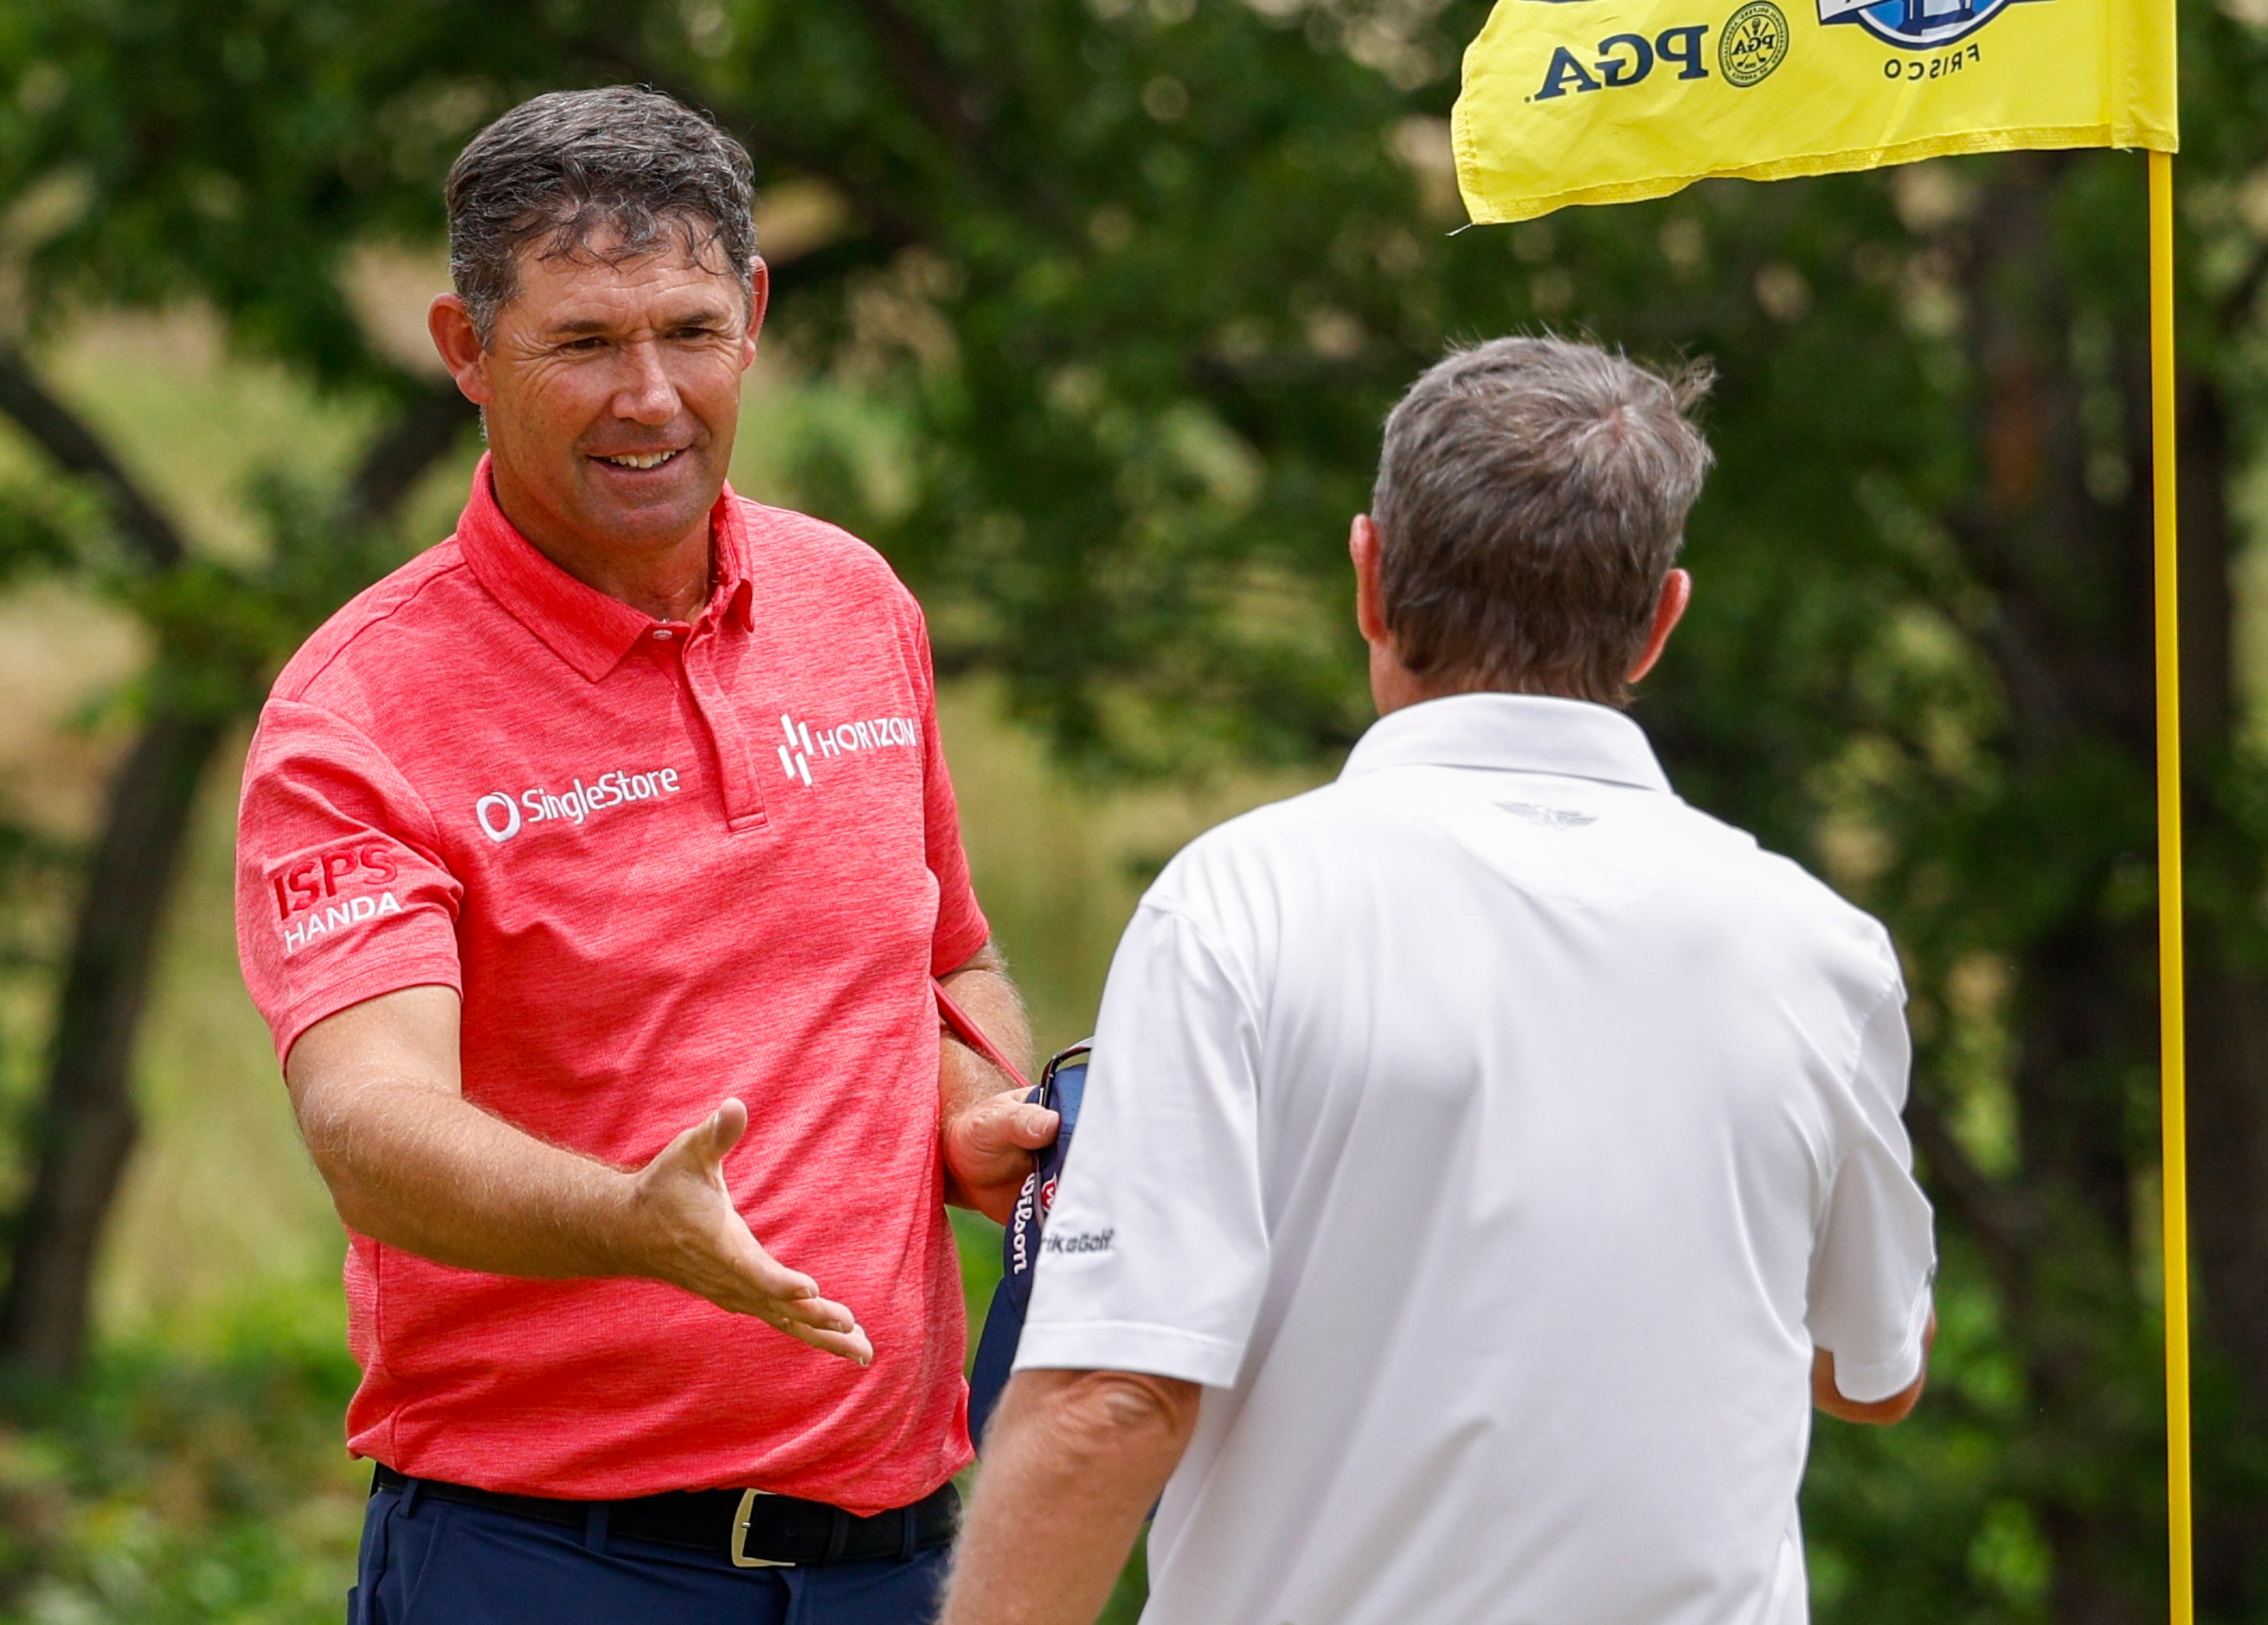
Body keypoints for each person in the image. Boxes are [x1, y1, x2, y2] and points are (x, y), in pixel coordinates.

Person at [941, 337, 1940, 1625]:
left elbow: (1111, 1398)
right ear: (1656, 620)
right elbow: (1875, 1367)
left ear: (1368, 574)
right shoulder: (1817, 946)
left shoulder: (1240, 903)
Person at [233, 86, 1055, 1623]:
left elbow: (939, 954)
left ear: (752, 310)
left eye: (685, 329)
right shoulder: (357, 713)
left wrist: (970, 1118)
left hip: (901, 1559)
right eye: (585, 344)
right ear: (466, 348)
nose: (650, 398)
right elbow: (367, 1116)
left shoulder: (853, 602)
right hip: (547, 1563)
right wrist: (630, 1223)